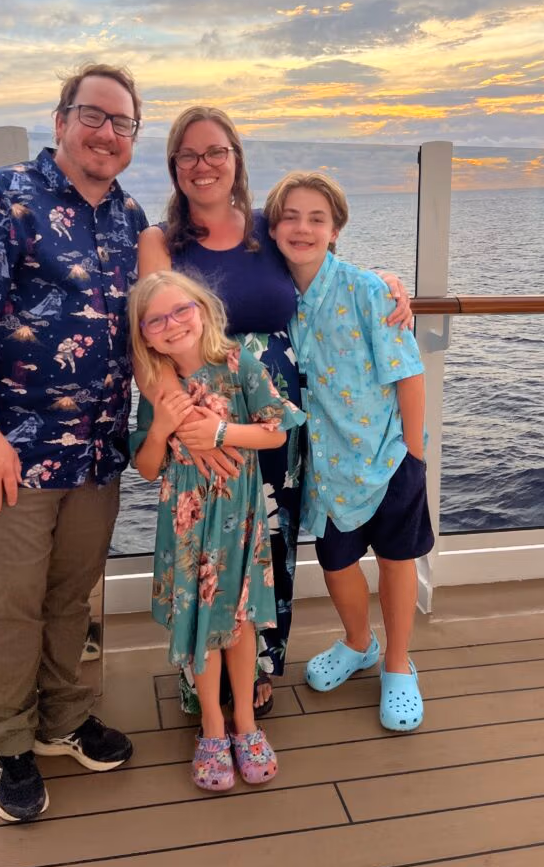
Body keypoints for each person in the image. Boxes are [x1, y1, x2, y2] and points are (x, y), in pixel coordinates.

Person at [137, 105, 413, 717]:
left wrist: (386, 281)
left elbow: (321, 263)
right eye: (189, 154)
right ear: (174, 166)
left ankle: (260, 666)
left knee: (270, 542)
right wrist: (194, 427)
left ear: (236, 159)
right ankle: (202, 677)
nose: (204, 165)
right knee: (204, 546)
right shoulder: (162, 241)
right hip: (199, 418)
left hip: (273, 418)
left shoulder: (267, 228)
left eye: (217, 151)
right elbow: (146, 334)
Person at [0, 63, 146, 823]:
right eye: (93, 115)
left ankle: (64, 718)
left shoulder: (129, 217)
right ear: (60, 121)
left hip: (96, 450)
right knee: (11, 602)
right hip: (13, 452)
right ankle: (10, 740)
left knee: (69, 597)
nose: (107, 133)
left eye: (123, 123)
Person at [265, 171, 435, 731]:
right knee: (336, 563)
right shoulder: (272, 298)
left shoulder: (367, 290)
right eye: (290, 217)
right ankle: (359, 643)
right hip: (322, 467)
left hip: (386, 457)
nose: (303, 228)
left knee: (396, 561)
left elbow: (408, 373)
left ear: (335, 229)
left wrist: (414, 454)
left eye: (317, 218)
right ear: (272, 227)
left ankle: (397, 663)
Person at [128, 270, 305, 790]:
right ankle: (211, 725)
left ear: (203, 310)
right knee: (201, 620)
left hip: (239, 520)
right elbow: (146, 467)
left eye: (181, 310)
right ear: (144, 335)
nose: (172, 324)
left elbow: (277, 432)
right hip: (187, 528)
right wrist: (162, 428)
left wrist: (221, 431)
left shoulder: (238, 363)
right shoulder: (156, 388)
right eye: (156, 320)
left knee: (241, 618)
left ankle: (245, 723)